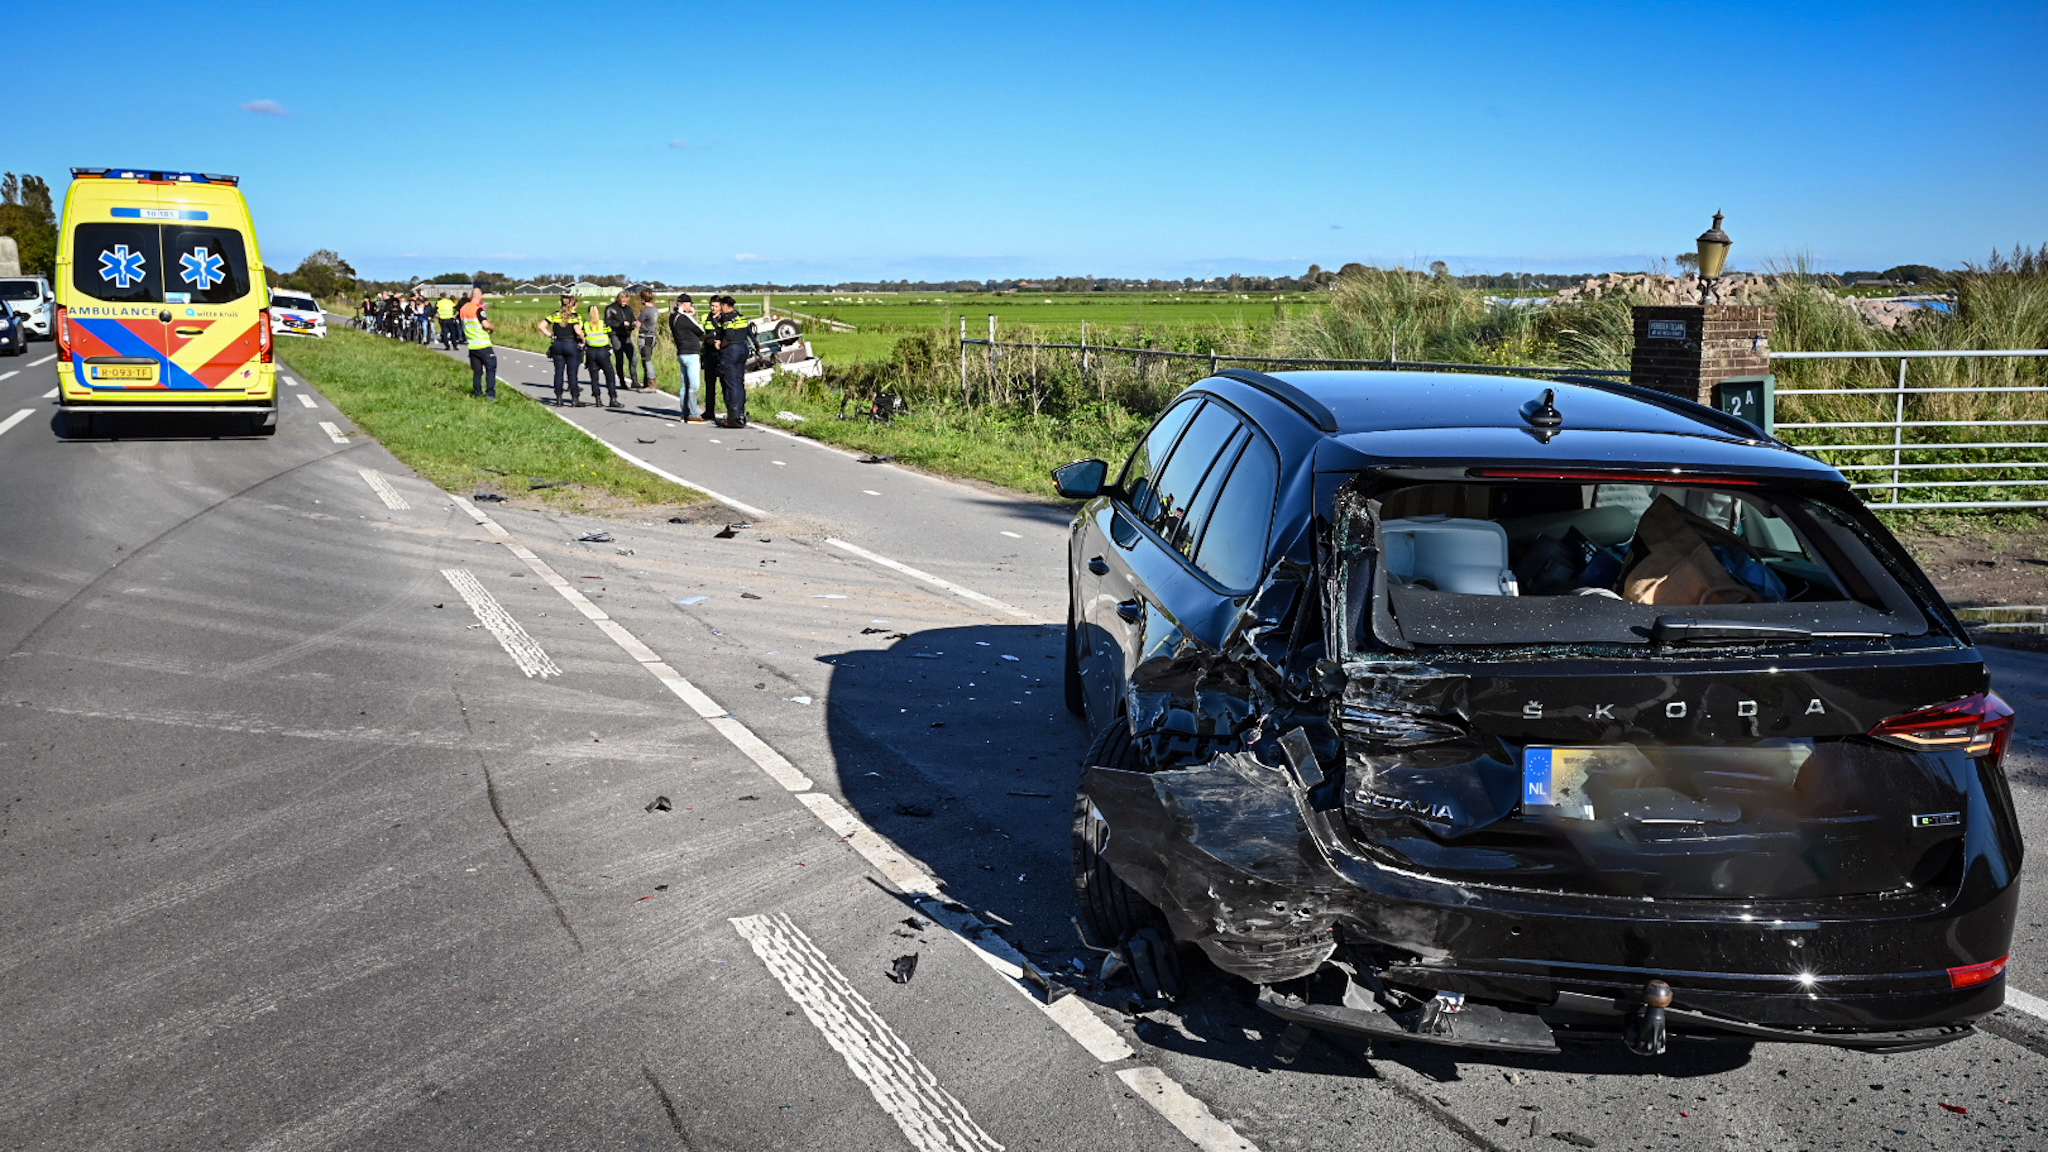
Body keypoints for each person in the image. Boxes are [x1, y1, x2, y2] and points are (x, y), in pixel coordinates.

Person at [706, 295, 756, 427]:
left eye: (721, 306)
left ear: (725, 305)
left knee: (731, 384)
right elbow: (749, 333)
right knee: (739, 383)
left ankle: (733, 418)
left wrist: (720, 345)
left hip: (731, 352)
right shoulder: (741, 316)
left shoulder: (727, 319)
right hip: (743, 349)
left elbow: (729, 335)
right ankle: (740, 414)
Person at [537, 293, 586, 406]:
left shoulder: (555, 314)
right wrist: (584, 340)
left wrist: (551, 335)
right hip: (571, 344)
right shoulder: (574, 316)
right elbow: (578, 331)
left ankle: (559, 398)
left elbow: (541, 326)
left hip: (557, 344)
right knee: (572, 373)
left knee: (558, 372)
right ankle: (575, 399)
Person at [667, 293, 705, 422]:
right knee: (694, 385)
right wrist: (692, 315)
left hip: (681, 352)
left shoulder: (673, 317)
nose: (692, 306)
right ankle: (693, 414)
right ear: (686, 304)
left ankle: (685, 412)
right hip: (691, 353)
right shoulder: (685, 317)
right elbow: (700, 330)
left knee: (685, 385)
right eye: (690, 304)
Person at [459, 285, 498, 399]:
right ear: (480, 296)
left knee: (477, 371)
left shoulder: (464, 309)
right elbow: (485, 324)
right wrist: (492, 327)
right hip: (483, 344)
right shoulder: (478, 309)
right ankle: (490, 393)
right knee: (491, 368)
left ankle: (477, 393)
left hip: (472, 345)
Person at [582, 303, 621, 408]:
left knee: (594, 377)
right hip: (603, 351)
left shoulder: (586, 325)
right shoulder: (603, 324)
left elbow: (582, 336)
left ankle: (597, 399)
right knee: (610, 375)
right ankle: (613, 398)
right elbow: (611, 332)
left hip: (591, 352)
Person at [605, 289, 639, 388]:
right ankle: (622, 381)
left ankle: (635, 380)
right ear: (619, 299)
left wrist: (633, 324)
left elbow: (633, 319)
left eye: (626, 302)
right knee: (620, 359)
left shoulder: (629, 309)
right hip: (616, 335)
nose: (625, 303)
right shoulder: (610, 308)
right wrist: (620, 324)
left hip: (627, 335)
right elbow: (608, 322)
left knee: (633, 358)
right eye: (623, 301)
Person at [636, 288, 661, 392]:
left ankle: (651, 383)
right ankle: (646, 382)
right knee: (648, 358)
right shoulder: (655, 309)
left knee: (647, 360)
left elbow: (638, 324)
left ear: (642, 299)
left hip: (645, 336)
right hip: (653, 336)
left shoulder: (645, 311)